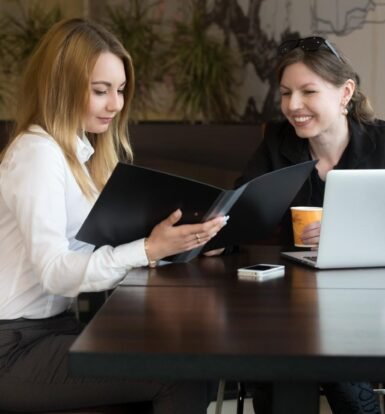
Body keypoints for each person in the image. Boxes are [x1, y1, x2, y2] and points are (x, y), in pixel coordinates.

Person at [0, 18, 227, 413]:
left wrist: (178, 244)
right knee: (180, 371)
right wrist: (147, 248)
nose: (116, 104)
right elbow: (56, 271)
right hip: (15, 347)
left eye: (120, 90)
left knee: (192, 360)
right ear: (61, 86)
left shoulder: (78, 155)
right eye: (100, 91)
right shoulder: (38, 154)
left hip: (51, 330)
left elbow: (104, 243)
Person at [235, 36, 384, 414]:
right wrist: (216, 232)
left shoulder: (382, 142)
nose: (293, 106)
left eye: (308, 92)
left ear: (344, 92)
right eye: (286, 93)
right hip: (293, 304)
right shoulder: (277, 144)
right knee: (275, 368)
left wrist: (351, 232)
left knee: (341, 369)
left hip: (370, 300)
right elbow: (237, 211)